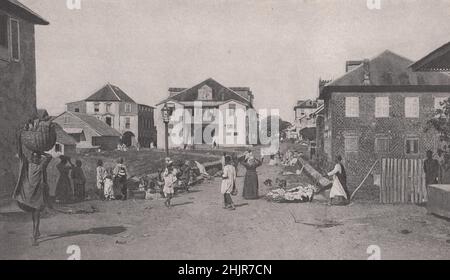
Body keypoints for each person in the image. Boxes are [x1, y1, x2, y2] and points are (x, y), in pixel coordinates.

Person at [13, 151, 52, 246]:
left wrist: (38, 151)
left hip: (34, 196)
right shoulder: (39, 166)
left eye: (37, 157)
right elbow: (49, 156)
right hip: (33, 196)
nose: (36, 159)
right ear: (35, 159)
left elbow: (21, 155)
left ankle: (35, 234)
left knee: (35, 214)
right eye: (35, 157)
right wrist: (41, 151)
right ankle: (35, 235)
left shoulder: (32, 166)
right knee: (36, 215)